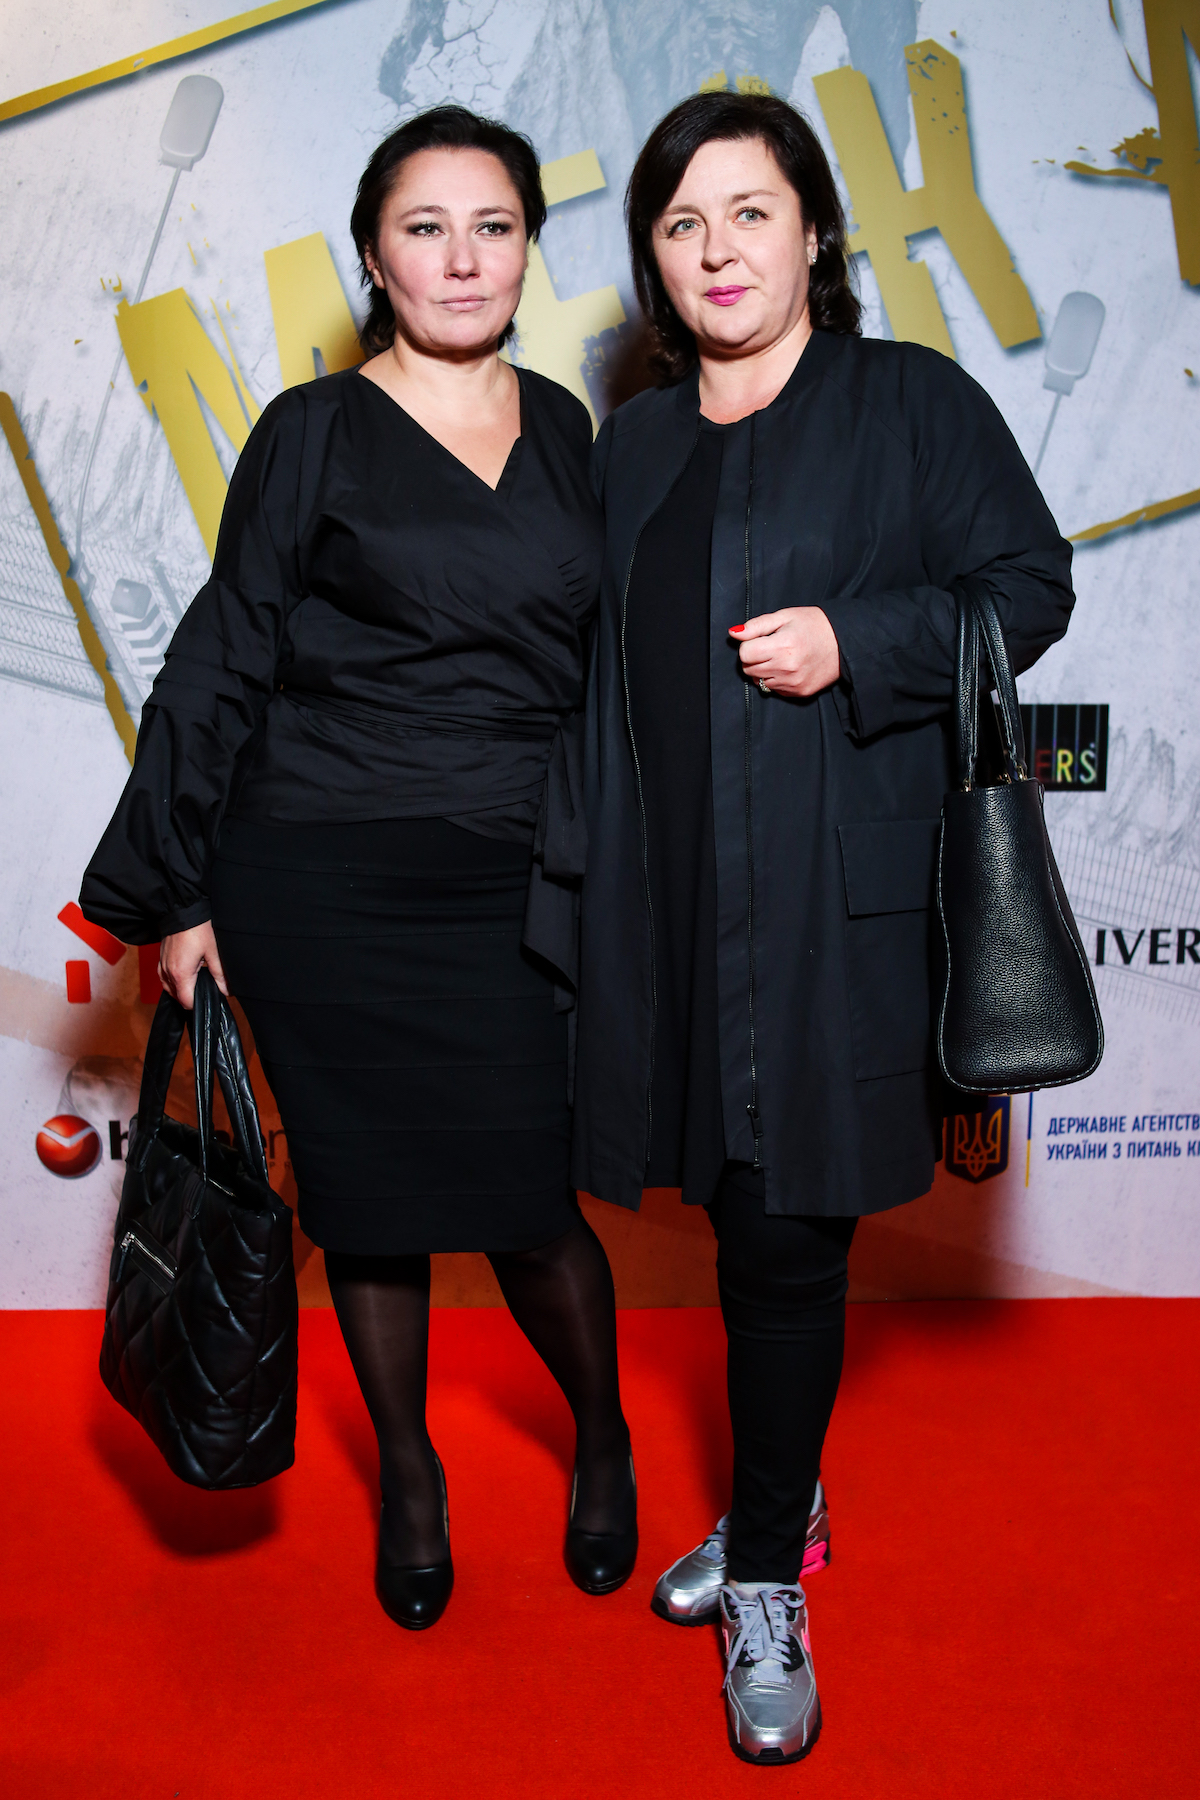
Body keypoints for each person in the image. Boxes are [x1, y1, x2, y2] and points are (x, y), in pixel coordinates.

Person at [80, 105, 637, 1631]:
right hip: (318, 872)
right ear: (373, 259)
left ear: (528, 250)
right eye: (424, 228)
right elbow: (223, 653)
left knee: (531, 1205)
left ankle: (599, 1433)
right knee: (370, 1208)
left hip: (516, 877)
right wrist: (175, 890)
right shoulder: (310, 429)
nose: (461, 259)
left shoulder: (571, 428)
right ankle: (408, 1470)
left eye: (493, 227)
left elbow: (614, 661)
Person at [572, 91, 1073, 1765]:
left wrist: (863, 641)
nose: (718, 249)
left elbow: (1031, 584)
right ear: (653, 259)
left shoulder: (910, 401)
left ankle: (771, 1572)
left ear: (814, 232)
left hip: (829, 912)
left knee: (790, 1243)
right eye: (681, 222)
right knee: (738, 1221)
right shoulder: (633, 444)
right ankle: (783, 1495)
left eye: (751, 212)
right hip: (672, 911)